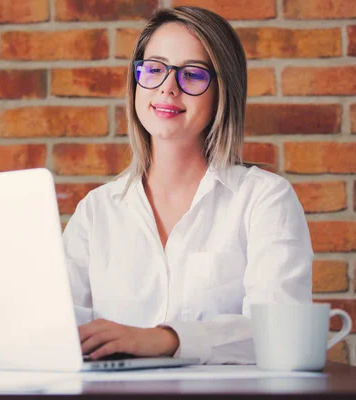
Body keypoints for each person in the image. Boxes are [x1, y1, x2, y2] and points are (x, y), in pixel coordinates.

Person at [61, 6, 313, 365]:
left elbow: (281, 331)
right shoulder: (96, 210)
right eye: (155, 69)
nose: (167, 87)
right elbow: (57, 327)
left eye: (192, 75)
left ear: (222, 91)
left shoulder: (264, 199)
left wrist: (164, 339)